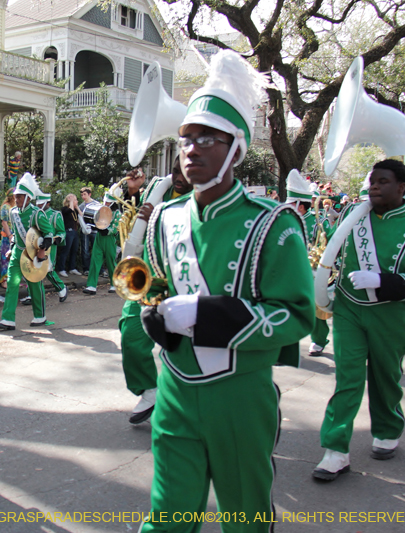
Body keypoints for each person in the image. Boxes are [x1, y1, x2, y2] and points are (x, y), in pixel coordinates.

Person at [138, 50, 314, 532]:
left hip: (240, 395)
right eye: (185, 139)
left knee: (245, 518)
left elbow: (296, 315)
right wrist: (153, 313)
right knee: (167, 518)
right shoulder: (166, 218)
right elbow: (155, 287)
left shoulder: (274, 223)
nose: (191, 150)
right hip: (175, 387)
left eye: (206, 139)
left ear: (236, 149)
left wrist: (206, 313)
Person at [314, 159, 405, 481]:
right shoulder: (354, 214)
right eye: (372, 180)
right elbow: (334, 249)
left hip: (391, 314)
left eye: (383, 181)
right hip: (349, 308)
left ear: (401, 187)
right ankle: (335, 449)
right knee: (347, 378)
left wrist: (382, 281)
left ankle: (388, 428)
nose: (374, 186)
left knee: (384, 377)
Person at [117, 158, 192, 425]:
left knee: (182, 346)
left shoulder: (204, 197)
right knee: (130, 334)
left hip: (183, 280)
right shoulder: (159, 187)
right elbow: (133, 216)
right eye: (175, 171)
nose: (179, 177)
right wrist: (133, 192)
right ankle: (149, 390)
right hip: (147, 276)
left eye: (185, 172)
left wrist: (156, 218)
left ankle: (184, 404)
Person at [0, 173, 54, 330]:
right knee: (12, 284)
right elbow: (15, 233)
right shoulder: (13, 212)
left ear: (28, 198)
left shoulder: (37, 214)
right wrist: (11, 248)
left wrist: (41, 252)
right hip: (17, 254)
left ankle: (40, 316)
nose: (17, 199)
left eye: (20, 196)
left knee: (34, 286)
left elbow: (49, 234)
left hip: (32, 255)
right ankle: (8, 319)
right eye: (16, 196)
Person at [285, 170, 332, 358]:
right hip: (289, 271)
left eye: (291, 204)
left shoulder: (318, 222)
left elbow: (329, 245)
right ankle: (287, 344)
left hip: (312, 271)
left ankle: (319, 340)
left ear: (301, 205)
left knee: (315, 307)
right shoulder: (284, 219)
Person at [83, 187, 121, 295]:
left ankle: (114, 284)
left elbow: (116, 227)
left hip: (110, 239)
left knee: (111, 262)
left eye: (108, 202)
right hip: (99, 237)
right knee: (95, 260)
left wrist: (107, 230)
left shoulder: (117, 213)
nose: (106, 203)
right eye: (105, 201)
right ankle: (91, 285)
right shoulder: (101, 209)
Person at [36, 191, 67, 302]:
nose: (38, 206)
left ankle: (61, 288)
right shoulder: (35, 213)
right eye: (37, 203)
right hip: (35, 246)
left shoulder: (55, 215)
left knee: (48, 270)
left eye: (41, 204)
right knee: (33, 271)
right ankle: (33, 294)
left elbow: (61, 232)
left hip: (49, 247)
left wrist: (56, 238)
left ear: (47, 203)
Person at [56, 194, 81, 277]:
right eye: (75, 200)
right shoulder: (65, 209)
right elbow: (69, 210)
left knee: (74, 250)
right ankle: (61, 269)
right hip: (68, 232)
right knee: (66, 250)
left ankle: (72, 268)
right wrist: (71, 202)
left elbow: (81, 215)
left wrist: (77, 207)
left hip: (74, 231)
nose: (77, 201)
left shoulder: (74, 211)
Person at [0, 189, 15, 289]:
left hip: (14, 235)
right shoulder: (5, 207)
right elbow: (4, 222)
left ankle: (12, 279)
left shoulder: (14, 206)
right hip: (7, 236)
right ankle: (4, 280)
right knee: (5, 258)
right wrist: (9, 236)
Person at [78, 186, 96, 275]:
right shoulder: (81, 206)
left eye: (85, 194)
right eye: (82, 195)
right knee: (85, 250)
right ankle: (86, 269)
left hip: (95, 230)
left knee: (96, 250)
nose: (83, 197)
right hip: (85, 231)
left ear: (89, 194)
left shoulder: (96, 204)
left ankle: (99, 269)